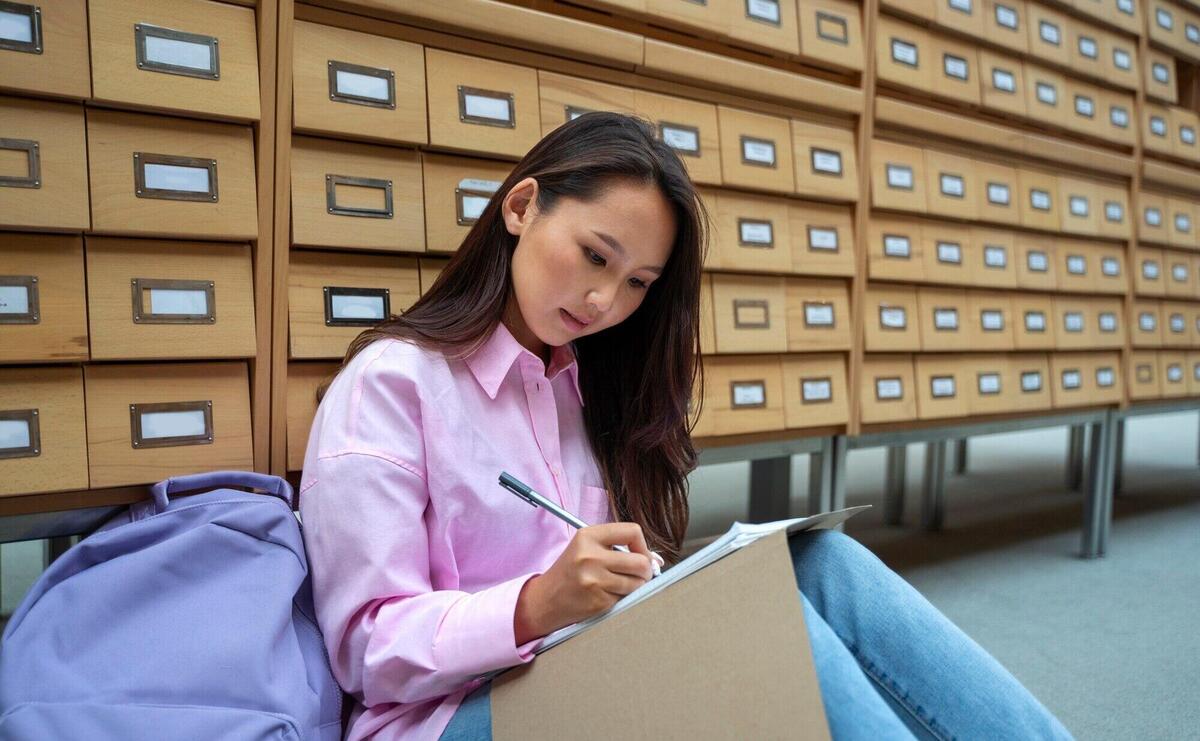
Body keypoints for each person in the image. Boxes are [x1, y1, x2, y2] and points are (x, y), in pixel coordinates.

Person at [298, 112, 1074, 740]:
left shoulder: (579, 387)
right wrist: (536, 603)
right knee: (763, 631)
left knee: (820, 564)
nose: (604, 301)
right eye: (595, 255)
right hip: (448, 720)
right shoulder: (394, 383)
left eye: (636, 281)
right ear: (522, 205)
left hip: (574, 667)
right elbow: (366, 651)